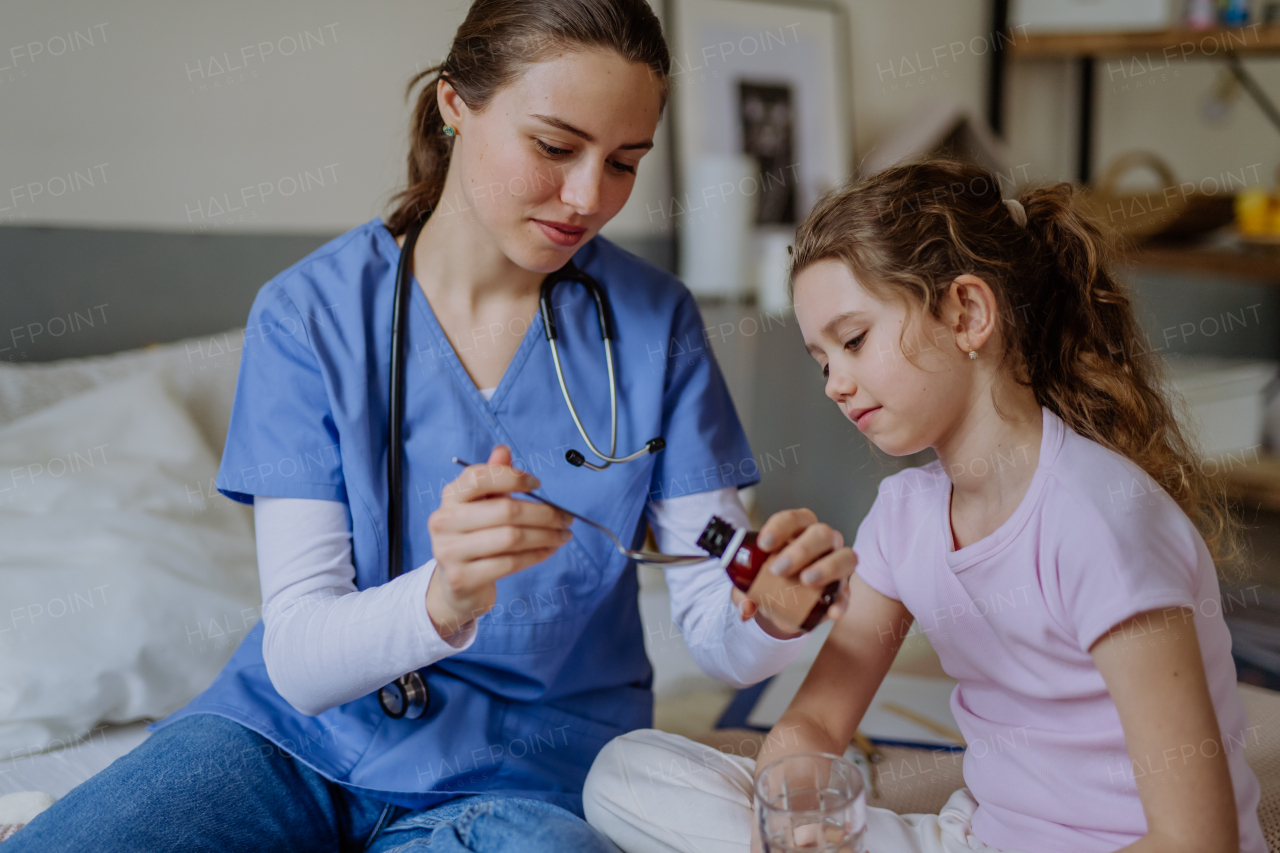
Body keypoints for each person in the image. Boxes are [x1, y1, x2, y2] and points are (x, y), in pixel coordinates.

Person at [6, 1, 859, 851]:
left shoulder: (654, 324)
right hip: (288, 742)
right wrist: (443, 595)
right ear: (456, 104)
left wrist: (772, 617)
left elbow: (715, 622)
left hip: (526, 776)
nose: (588, 196)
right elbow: (301, 658)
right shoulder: (310, 316)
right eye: (555, 147)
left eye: (625, 161)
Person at [582, 160, 1266, 853]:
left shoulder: (1101, 518)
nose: (834, 385)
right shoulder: (905, 517)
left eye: (853, 341)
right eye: (822, 360)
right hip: (978, 838)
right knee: (623, 772)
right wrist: (794, 819)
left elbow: (1197, 839)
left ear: (967, 313)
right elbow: (812, 727)